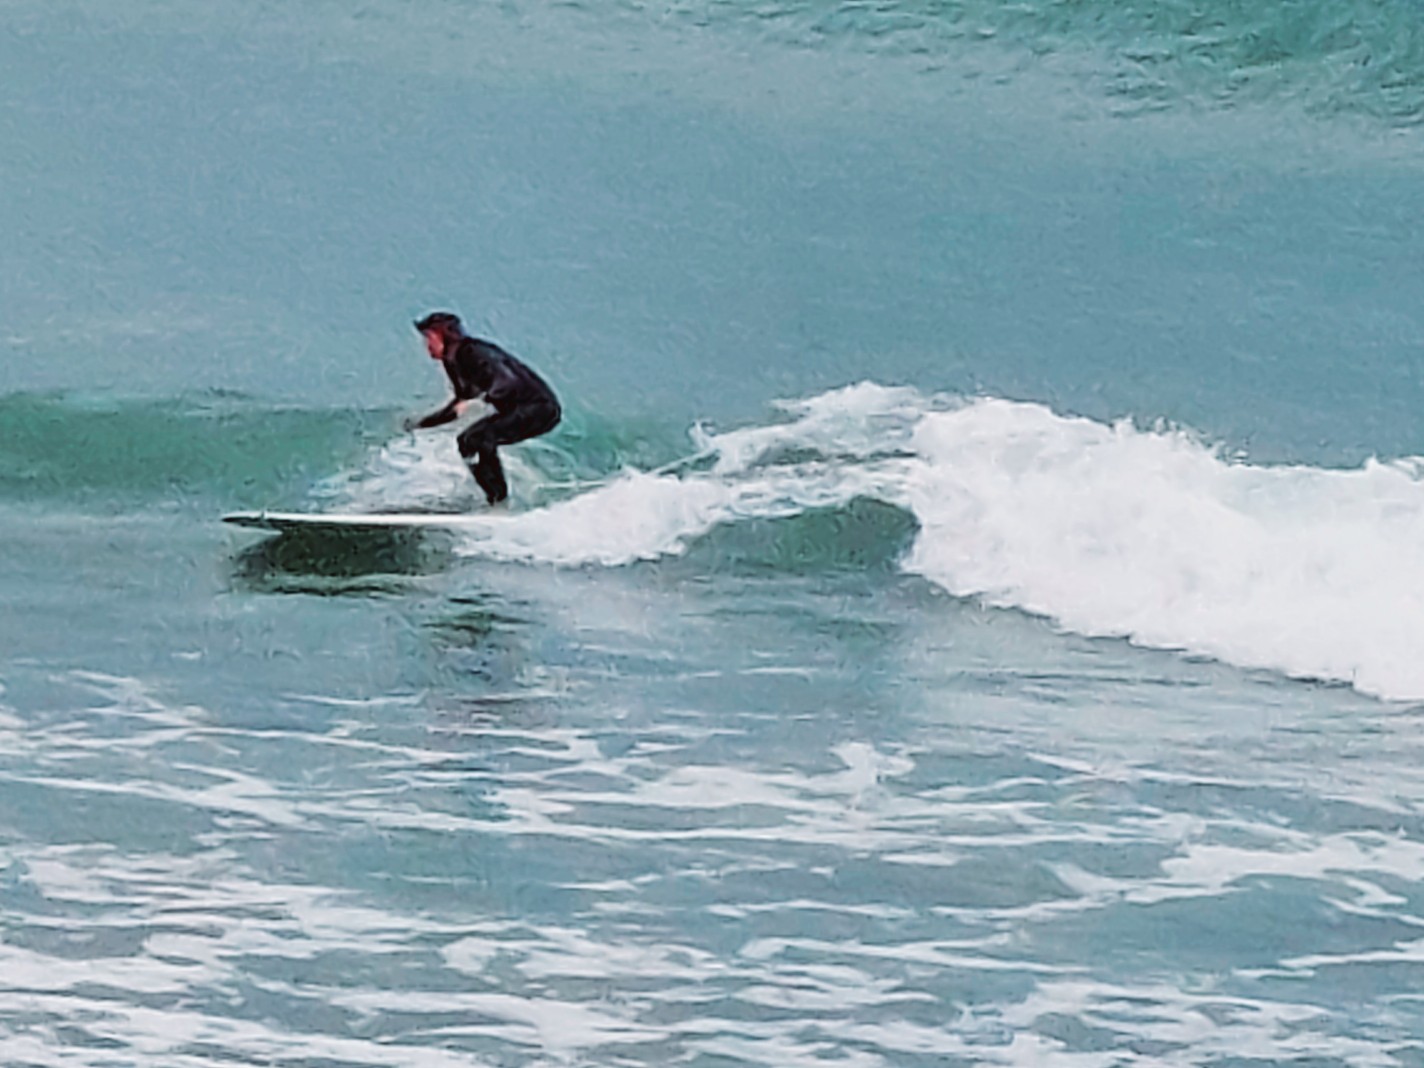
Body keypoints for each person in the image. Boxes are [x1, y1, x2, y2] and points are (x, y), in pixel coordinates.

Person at [406, 312, 561, 505]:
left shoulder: (472, 351)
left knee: (478, 438)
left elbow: (506, 381)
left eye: (429, 338)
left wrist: (483, 398)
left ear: (443, 335)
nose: (427, 346)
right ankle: (492, 498)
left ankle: (499, 501)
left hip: (539, 409)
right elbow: (458, 406)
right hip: (521, 409)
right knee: (468, 442)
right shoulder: (453, 361)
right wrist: (420, 424)